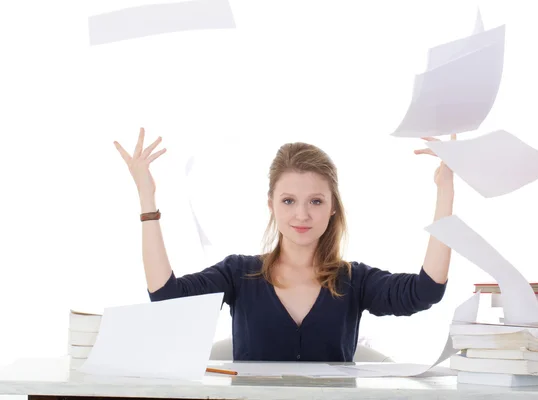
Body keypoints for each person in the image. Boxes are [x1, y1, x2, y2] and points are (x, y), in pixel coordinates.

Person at [114, 127, 455, 362]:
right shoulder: (238, 274)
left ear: (332, 206)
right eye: (289, 200)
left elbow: (426, 290)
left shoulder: (355, 280)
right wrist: (147, 197)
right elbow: (166, 298)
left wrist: (445, 191)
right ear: (271, 205)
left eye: (316, 201)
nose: (302, 214)